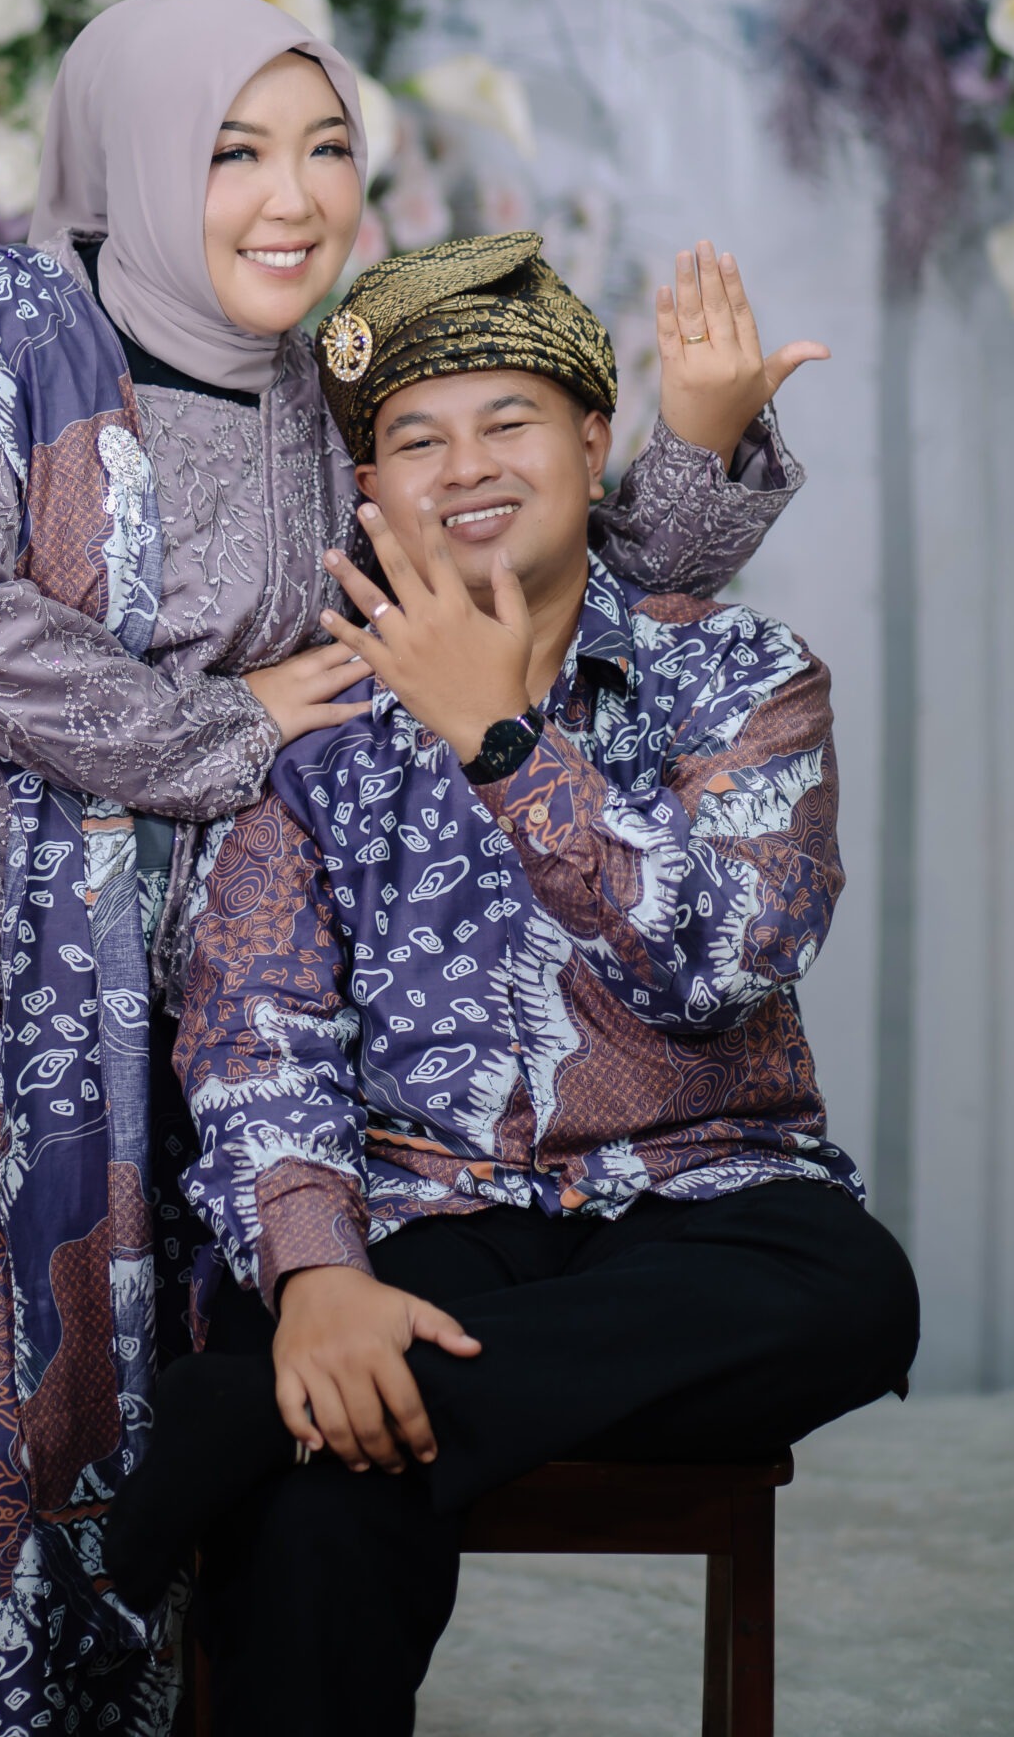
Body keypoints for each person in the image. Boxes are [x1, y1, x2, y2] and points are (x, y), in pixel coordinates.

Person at [0, 0, 817, 1737]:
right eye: (234, 151)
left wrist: (693, 439)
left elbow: (529, 572)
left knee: (136, 1515)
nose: (291, 196)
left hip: (176, 1011)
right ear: (139, 159)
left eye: (327, 149)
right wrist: (221, 725)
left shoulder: (323, 406)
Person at [107, 230, 918, 1737]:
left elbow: (731, 961)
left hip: (704, 1191)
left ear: (595, 445)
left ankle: (257, 1419)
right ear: (370, 486)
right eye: (417, 440)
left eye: (508, 423)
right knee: (325, 1507)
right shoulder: (314, 713)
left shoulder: (741, 675)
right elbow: (254, 1025)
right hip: (428, 1204)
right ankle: (314, 1407)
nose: (465, 467)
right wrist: (321, 1277)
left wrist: (504, 745)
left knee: (856, 1297)